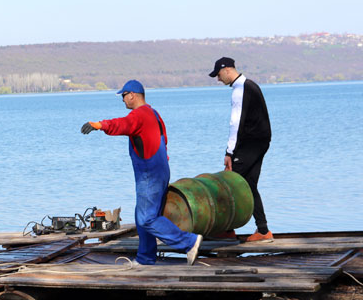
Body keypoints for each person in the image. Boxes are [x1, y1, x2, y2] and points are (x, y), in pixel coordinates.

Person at [81, 80, 203, 266]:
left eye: (124, 96)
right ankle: (145, 258)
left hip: (149, 173)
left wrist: (100, 125)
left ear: (132, 95)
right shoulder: (154, 114)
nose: (122, 100)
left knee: (147, 218)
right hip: (160, 170)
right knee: (142, 216)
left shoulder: (139, 115)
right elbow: (164, 139)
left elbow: (123, 124)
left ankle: (189, 242)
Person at [209, 57, 273, 242]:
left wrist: (229, 152)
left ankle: (226, 230)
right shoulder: (251, 85)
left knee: (228, 182)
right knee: (249, 185)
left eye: (218, 74)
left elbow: (235, 123)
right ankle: (263, 231)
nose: (218, 79)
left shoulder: (240, 89)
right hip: (261, 142)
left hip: (250, 144)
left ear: (227, 70)